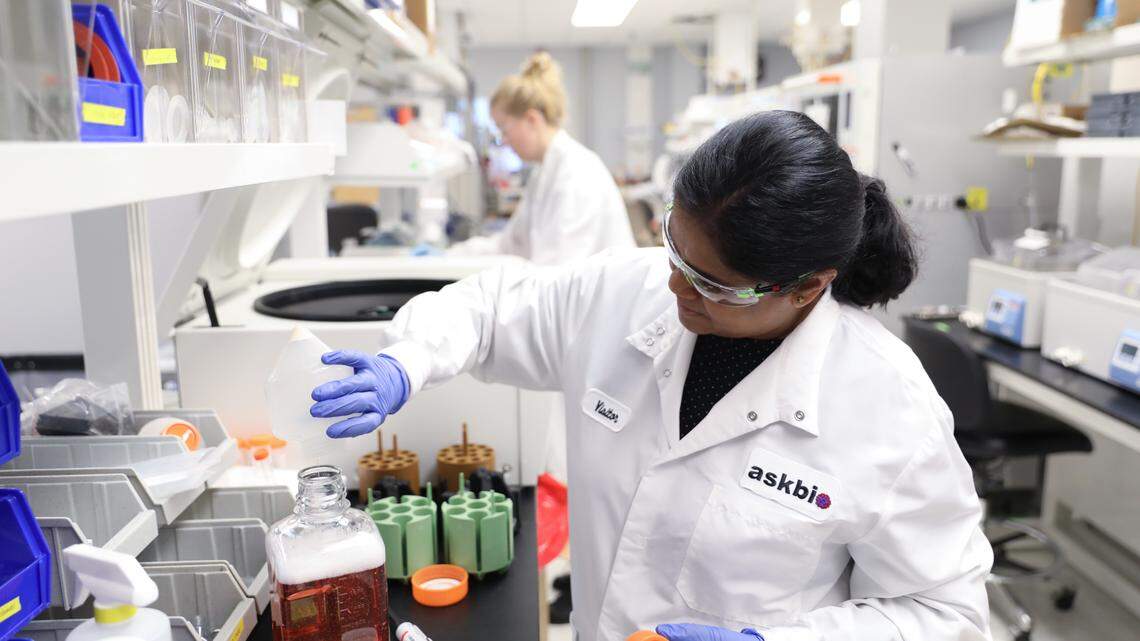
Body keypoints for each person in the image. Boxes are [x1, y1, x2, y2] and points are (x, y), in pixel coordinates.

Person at [310, 111, 993, 641]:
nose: (673, 285)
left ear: (808, 286)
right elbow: (488, 310)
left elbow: (945, 611)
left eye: (712, 284)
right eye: (673, 246)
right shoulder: (625, 292)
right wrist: (411, 359)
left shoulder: (886, 405)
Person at [442, 52, 636, 264]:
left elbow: (559, 268)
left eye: (504, 130)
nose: (504, 141)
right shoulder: (544, 172)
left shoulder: (576, 172)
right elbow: (509, 245)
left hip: (601, 296)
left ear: (531, 119)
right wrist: (450, 255)